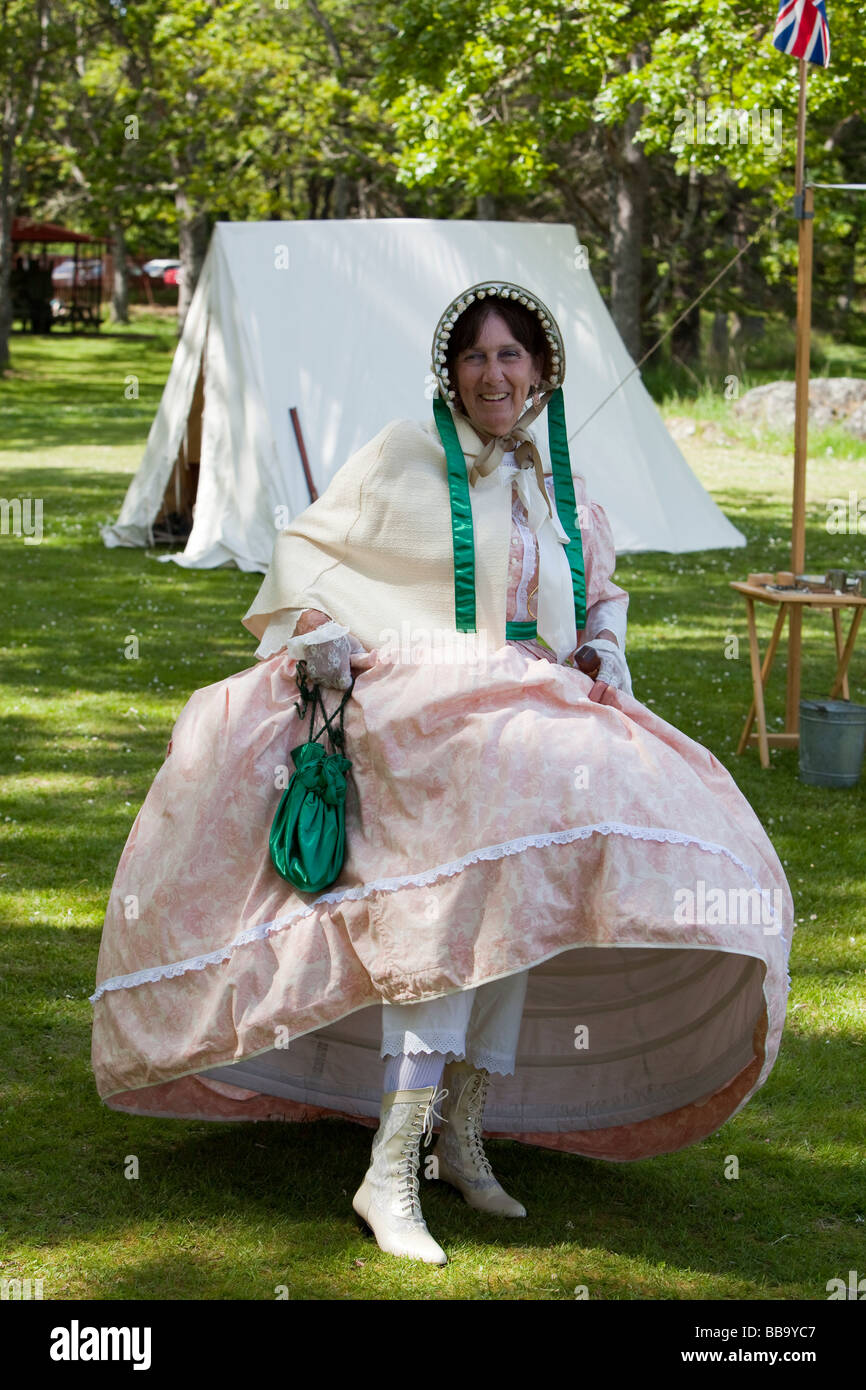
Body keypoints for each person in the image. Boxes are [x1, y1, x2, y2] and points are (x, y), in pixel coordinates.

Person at [91, 280, 793, 1269]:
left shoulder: (555, 485)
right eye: (474, 357)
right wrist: (321, 630)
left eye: (510, 356)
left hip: (531, 728)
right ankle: (388, 1166)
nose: (492, 374)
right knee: (444, 920)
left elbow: (597, 595)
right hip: (422, 720)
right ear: (449, 373)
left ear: (539, 372)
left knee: (520, 916)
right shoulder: (400, 459)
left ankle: (457, 1133)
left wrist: (600, 645)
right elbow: (307, 554)